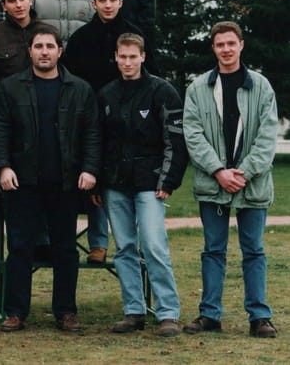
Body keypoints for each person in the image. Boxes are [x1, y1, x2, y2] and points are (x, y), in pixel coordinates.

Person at [0, 25, 100, 333]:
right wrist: (3, 167)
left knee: (65, 249)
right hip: (22, 182)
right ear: (30, 52)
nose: (44, 52)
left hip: (65, 182)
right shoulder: (11, 87)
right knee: (20, 248)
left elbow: (92, 133)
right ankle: (16, 312)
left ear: (59, 51)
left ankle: (66, 312)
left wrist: (90, 169)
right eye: (38, 46)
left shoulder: (80, 89)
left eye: (50, 46)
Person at [182, 21, 279, 338]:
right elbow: (193, 135)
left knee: (254, 250)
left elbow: (267, 137)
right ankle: (210, 314)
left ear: (241, 45)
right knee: (213, 250)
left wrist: (243, 172)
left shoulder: (262, 86)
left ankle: (259, 317)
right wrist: (218, 171)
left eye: (230, 43)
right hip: (213, 183)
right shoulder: (198, 88)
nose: (226, 49)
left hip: (252, 183)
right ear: (213, 48)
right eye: (220, 44)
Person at [97, 33, 188, 337]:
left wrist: (168, 180)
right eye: (122, 57)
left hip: (151, 183)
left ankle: (168, 313)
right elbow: (98, 141)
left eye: (132, 57)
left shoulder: (162, 92)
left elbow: (176, 141)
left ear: (143, 57)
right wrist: (98, 183)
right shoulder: (106, 94)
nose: (127, 62)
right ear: (115, 57)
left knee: (153, 245)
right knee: (124, 248)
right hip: (115, 184)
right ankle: (133, 311)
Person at [61, 0, 146, 265]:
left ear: (120, 2)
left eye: (113, 0)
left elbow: (147, 76)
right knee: (93, 175)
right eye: (102, 0)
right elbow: (70, 81)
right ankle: (97, 242)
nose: (108, 5)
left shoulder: (135, 34)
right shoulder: (81, 39)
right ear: (93, 3)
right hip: (92, 117)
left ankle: (133, 242)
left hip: (129, 119)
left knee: (129, 180)